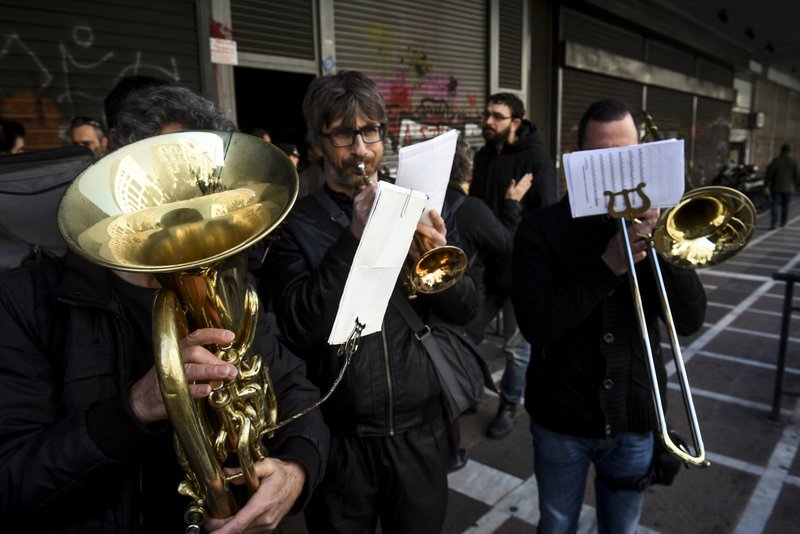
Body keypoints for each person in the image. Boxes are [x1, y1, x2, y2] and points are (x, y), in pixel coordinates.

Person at [0, 84, 329, 534]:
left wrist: (296, 468)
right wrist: (135, 407)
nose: (184, 212)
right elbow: (13, 482)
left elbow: (294, 388)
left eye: (200, 190)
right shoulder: (24, 300)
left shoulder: (231, 283)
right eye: (166, 185)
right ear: (116, 177)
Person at [261, 70, 478, 534]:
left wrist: (439, 256)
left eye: (370, 131)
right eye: (343, 134)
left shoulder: (420, 201)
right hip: (341, 440)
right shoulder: (294, 225)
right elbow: (298, 327)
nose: (361, 149)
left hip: (420, 432)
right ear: (317, 144)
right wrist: (352, 239)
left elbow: (466, 310)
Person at [512, 98, 707, 534]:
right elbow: (537, 325)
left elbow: (690, 319)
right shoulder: (541, 229)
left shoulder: (656, 228)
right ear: (578, 157)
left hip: (634, 418)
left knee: (622, 527)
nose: (618, 169)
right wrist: (607, 267)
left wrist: (662, 244)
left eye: (629, 155)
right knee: (556, 524)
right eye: (603, 157)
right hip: (561, 420)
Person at [469, 92, 557, 439]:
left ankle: (509, 403)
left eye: (497, 116)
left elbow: (547, 217)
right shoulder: (482, 157)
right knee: (468, 335)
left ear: (516, 123)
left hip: (522, 272)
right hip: (485, 270)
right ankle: (470, 393)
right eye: (486, 114)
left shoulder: (536, 159)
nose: (488, 121)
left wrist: (513, 208)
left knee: (517, 349)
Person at [444, 135, 531, 471]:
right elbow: (508, 244)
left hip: (430, 309)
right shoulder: (472, 209)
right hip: (464, 306)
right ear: (467, 172)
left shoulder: (419, 200)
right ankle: (451, 447)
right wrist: (512, 204)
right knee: (458, 368)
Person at [765, 143, 800, 229]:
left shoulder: (777, 160)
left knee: (775, 204)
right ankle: (783, 222)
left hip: (776, 187)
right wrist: (796, 184)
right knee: (786, 205)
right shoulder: (794, 161)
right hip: (789, 188)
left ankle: (774, 223)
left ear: (781, 150)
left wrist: (766, 183)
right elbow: (797, 174)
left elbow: (769, 173)